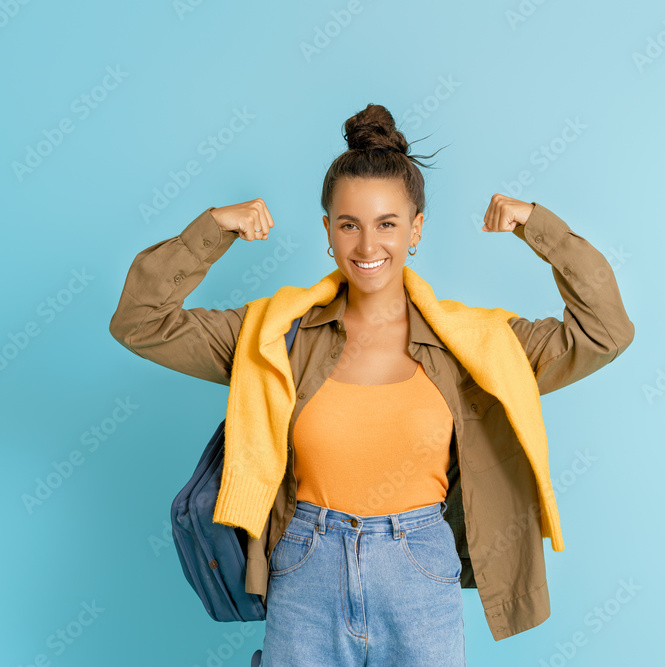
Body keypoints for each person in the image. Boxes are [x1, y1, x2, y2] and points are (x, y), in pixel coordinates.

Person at [109, 103, 634, 666]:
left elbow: (603, 333)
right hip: (305, 564)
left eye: (387, 223)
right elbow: (142, 322)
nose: (367, 246)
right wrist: (211, 230)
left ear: (416, 229)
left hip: (419, 567)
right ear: (328, 232)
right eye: (349, 224)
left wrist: (541, 228)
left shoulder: (477, 345)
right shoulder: (273, 336)